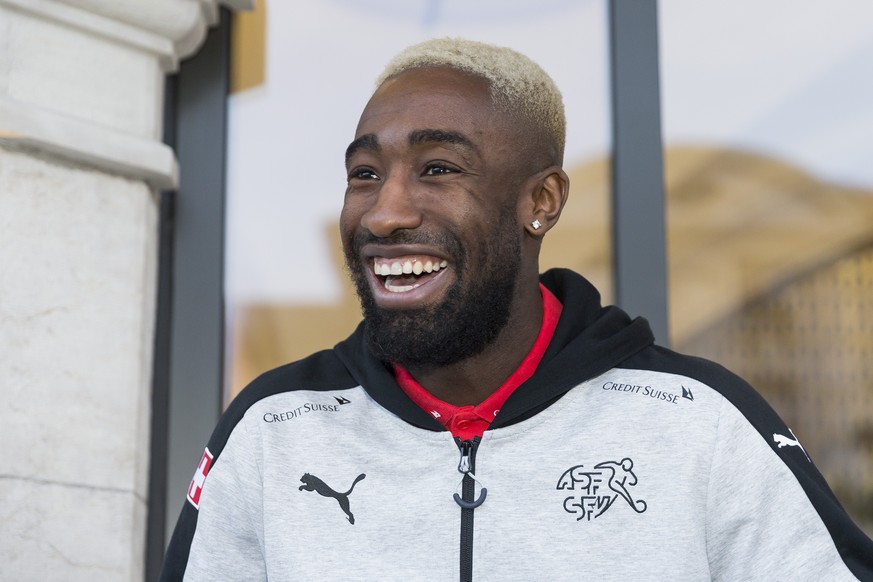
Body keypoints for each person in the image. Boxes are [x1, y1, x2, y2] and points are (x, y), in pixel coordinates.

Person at [161, 38, 873, 581]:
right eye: (364, 174)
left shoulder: (698, 423)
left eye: (438, 169)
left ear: (541, 202)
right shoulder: (272, 431)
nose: (385, 213)